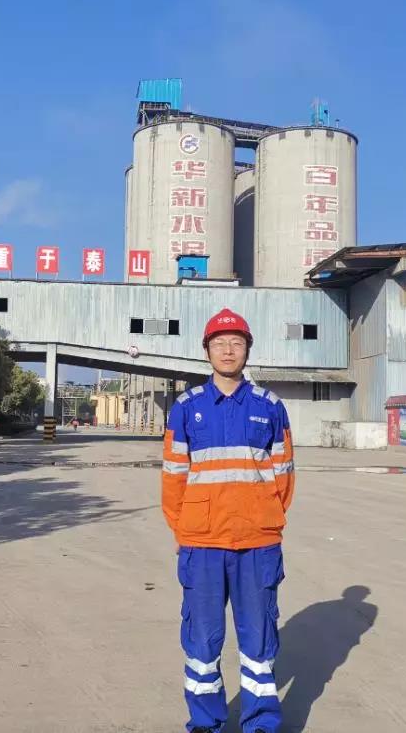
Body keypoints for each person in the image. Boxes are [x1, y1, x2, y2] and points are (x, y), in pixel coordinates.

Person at [162, 308, 295, 733]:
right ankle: (206, 723)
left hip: (257, 543)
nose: (228, 350)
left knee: (258, 642)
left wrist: (266, 518)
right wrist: (181, 528)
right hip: (202, 543)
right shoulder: (187, 408)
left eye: (236, 343)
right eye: (219, 343)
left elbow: (284, 475)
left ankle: (261, 723)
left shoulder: (270, 407)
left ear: (247, 350)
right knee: (202, 642)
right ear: (207, 351)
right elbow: (173, 476)